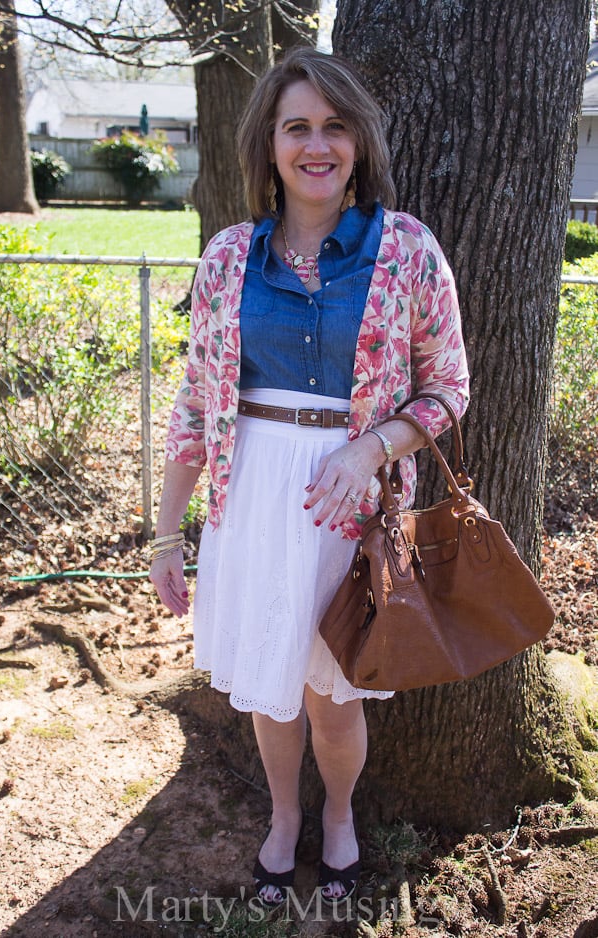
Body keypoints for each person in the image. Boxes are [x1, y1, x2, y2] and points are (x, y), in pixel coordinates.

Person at [149, 47, 470, 909]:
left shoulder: (405, 249)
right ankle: (283, 817)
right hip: (249, 497)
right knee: (271, 687)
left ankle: (339, 819)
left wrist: (370, 451)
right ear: (271, 144)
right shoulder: (227, 257)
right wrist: (165, 532)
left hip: (348, 505)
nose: (316, 145)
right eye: (298, 127)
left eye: (335, 127)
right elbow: (195, 404)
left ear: (358, 143)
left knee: (333, 695)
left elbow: (450, 387)